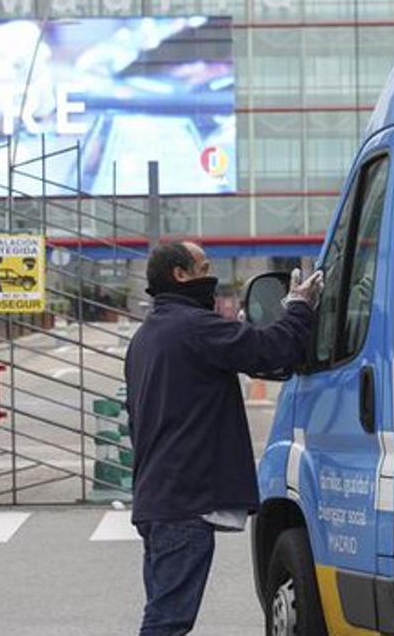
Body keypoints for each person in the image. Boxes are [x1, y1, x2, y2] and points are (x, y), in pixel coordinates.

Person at [124, 242, 323, 636]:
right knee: (168, 620)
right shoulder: (194, 327)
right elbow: (270, 350)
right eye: (204, 267)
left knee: (163, 611)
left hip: (158, 496)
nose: (211, 276)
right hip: (183, 502)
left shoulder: (146, 337)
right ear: (180, 275)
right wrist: (299, 306)